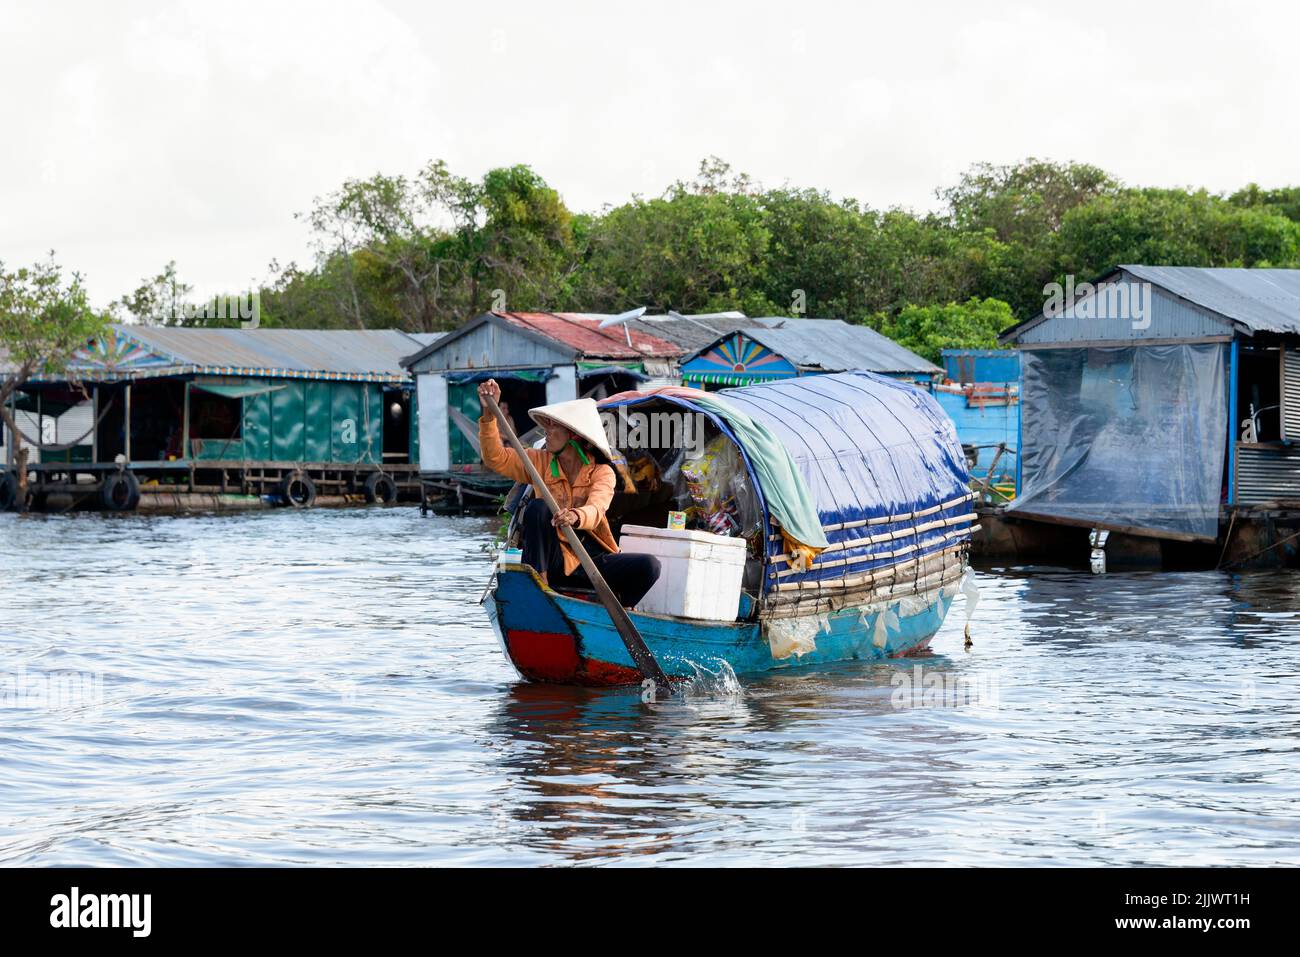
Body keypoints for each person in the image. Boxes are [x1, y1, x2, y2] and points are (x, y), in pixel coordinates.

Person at [477, 379, 661, 609]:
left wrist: (575, 516)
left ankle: (619, 610)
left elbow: (596, 508)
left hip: (589, 560)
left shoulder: (602, 472)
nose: (547, 431)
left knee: (649, 566)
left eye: (554, 426)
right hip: (552, 558)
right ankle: (540, 588)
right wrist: (489, 414)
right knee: (538, 508)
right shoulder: (538, 461)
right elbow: (496, 458)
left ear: (574, 435)